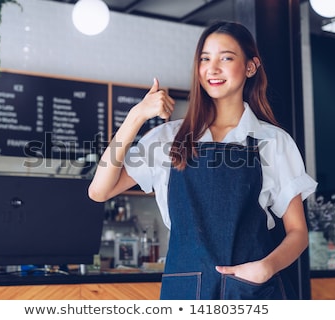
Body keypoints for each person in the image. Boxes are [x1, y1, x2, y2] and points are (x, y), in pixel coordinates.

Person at [88, 21, 317, 300]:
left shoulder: (274, 141)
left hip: (252, 291)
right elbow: (99, 190)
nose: (213, 68)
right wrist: (135, 117)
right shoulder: (167, 138)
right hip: (186, 291)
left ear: (250, 67)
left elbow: (298, 232)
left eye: (226, 58)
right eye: (205, 59)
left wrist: (266, 267)